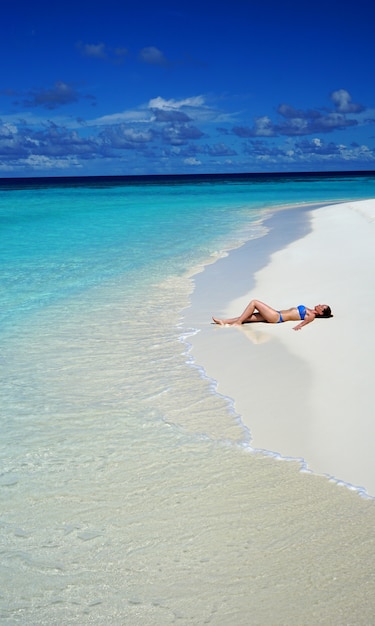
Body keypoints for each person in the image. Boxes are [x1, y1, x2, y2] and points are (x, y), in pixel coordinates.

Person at [212, 299, 333, 331]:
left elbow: (307, 321)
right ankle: (224, 321)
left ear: (321, 312)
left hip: (277, 317)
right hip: (276, 314)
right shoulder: (310, 310)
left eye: (322, 307)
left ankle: (237, 323)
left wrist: (300, 326)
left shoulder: (311, 315)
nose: (320, 304)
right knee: (248, 317)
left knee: (254, 302)